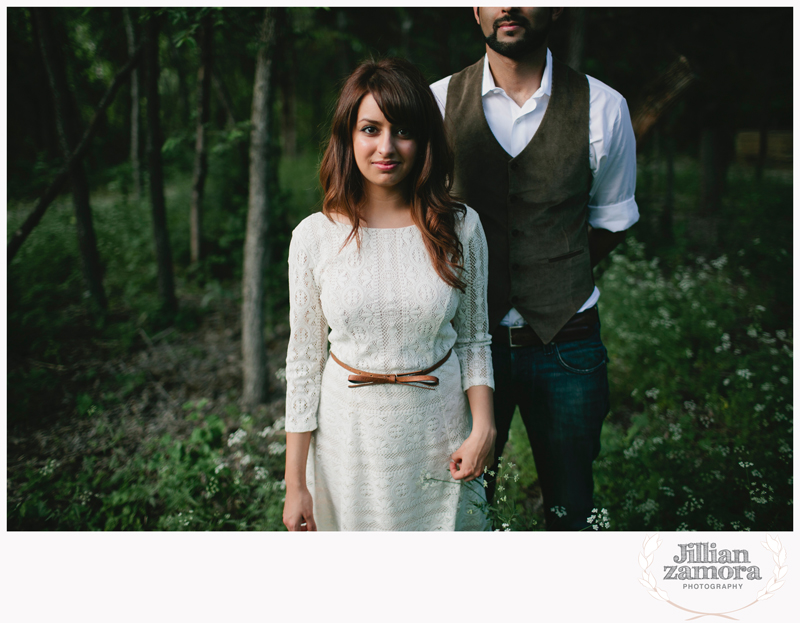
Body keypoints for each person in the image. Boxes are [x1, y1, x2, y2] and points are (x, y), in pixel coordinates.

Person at [430, 7, 639, 530]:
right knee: (464, 509)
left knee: (571, 510)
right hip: (465, 346)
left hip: (568, 345)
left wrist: (553, 274)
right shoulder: (433, 104)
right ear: (475, 10)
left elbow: (613, 218)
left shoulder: (605, 107)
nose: (509, 7)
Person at [282, 58, 496, 531]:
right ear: (348, 137)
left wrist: (484, 427)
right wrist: (295, 482)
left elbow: (474, 339)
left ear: (423, 140)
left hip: (438, 432)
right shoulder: (314, 237)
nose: (386, 147)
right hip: (347, 439)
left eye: (402, 130)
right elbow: (303, 361)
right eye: (370, 129)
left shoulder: (461, 227)